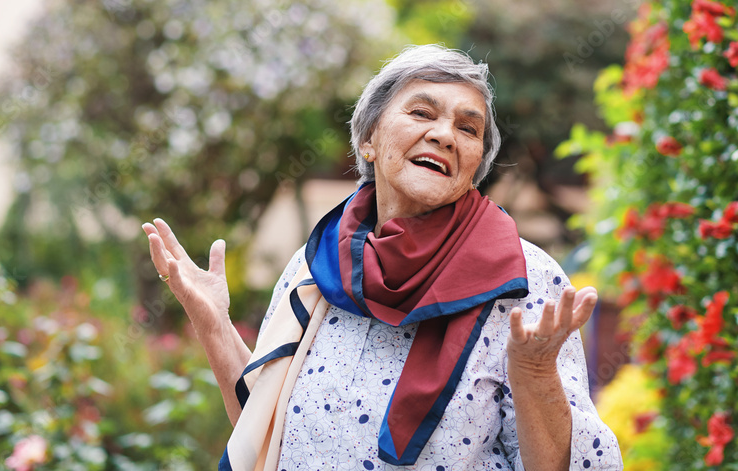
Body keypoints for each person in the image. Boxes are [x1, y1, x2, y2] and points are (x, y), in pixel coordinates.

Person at [143, 44, 622, 470]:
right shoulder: (318, 264)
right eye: (421, 113)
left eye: (467, 128)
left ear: (475, 165)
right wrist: (213, 324)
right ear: (368, 140)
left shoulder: (522, 280)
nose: (445, 135)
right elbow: (263, 433)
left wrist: (535, 374)